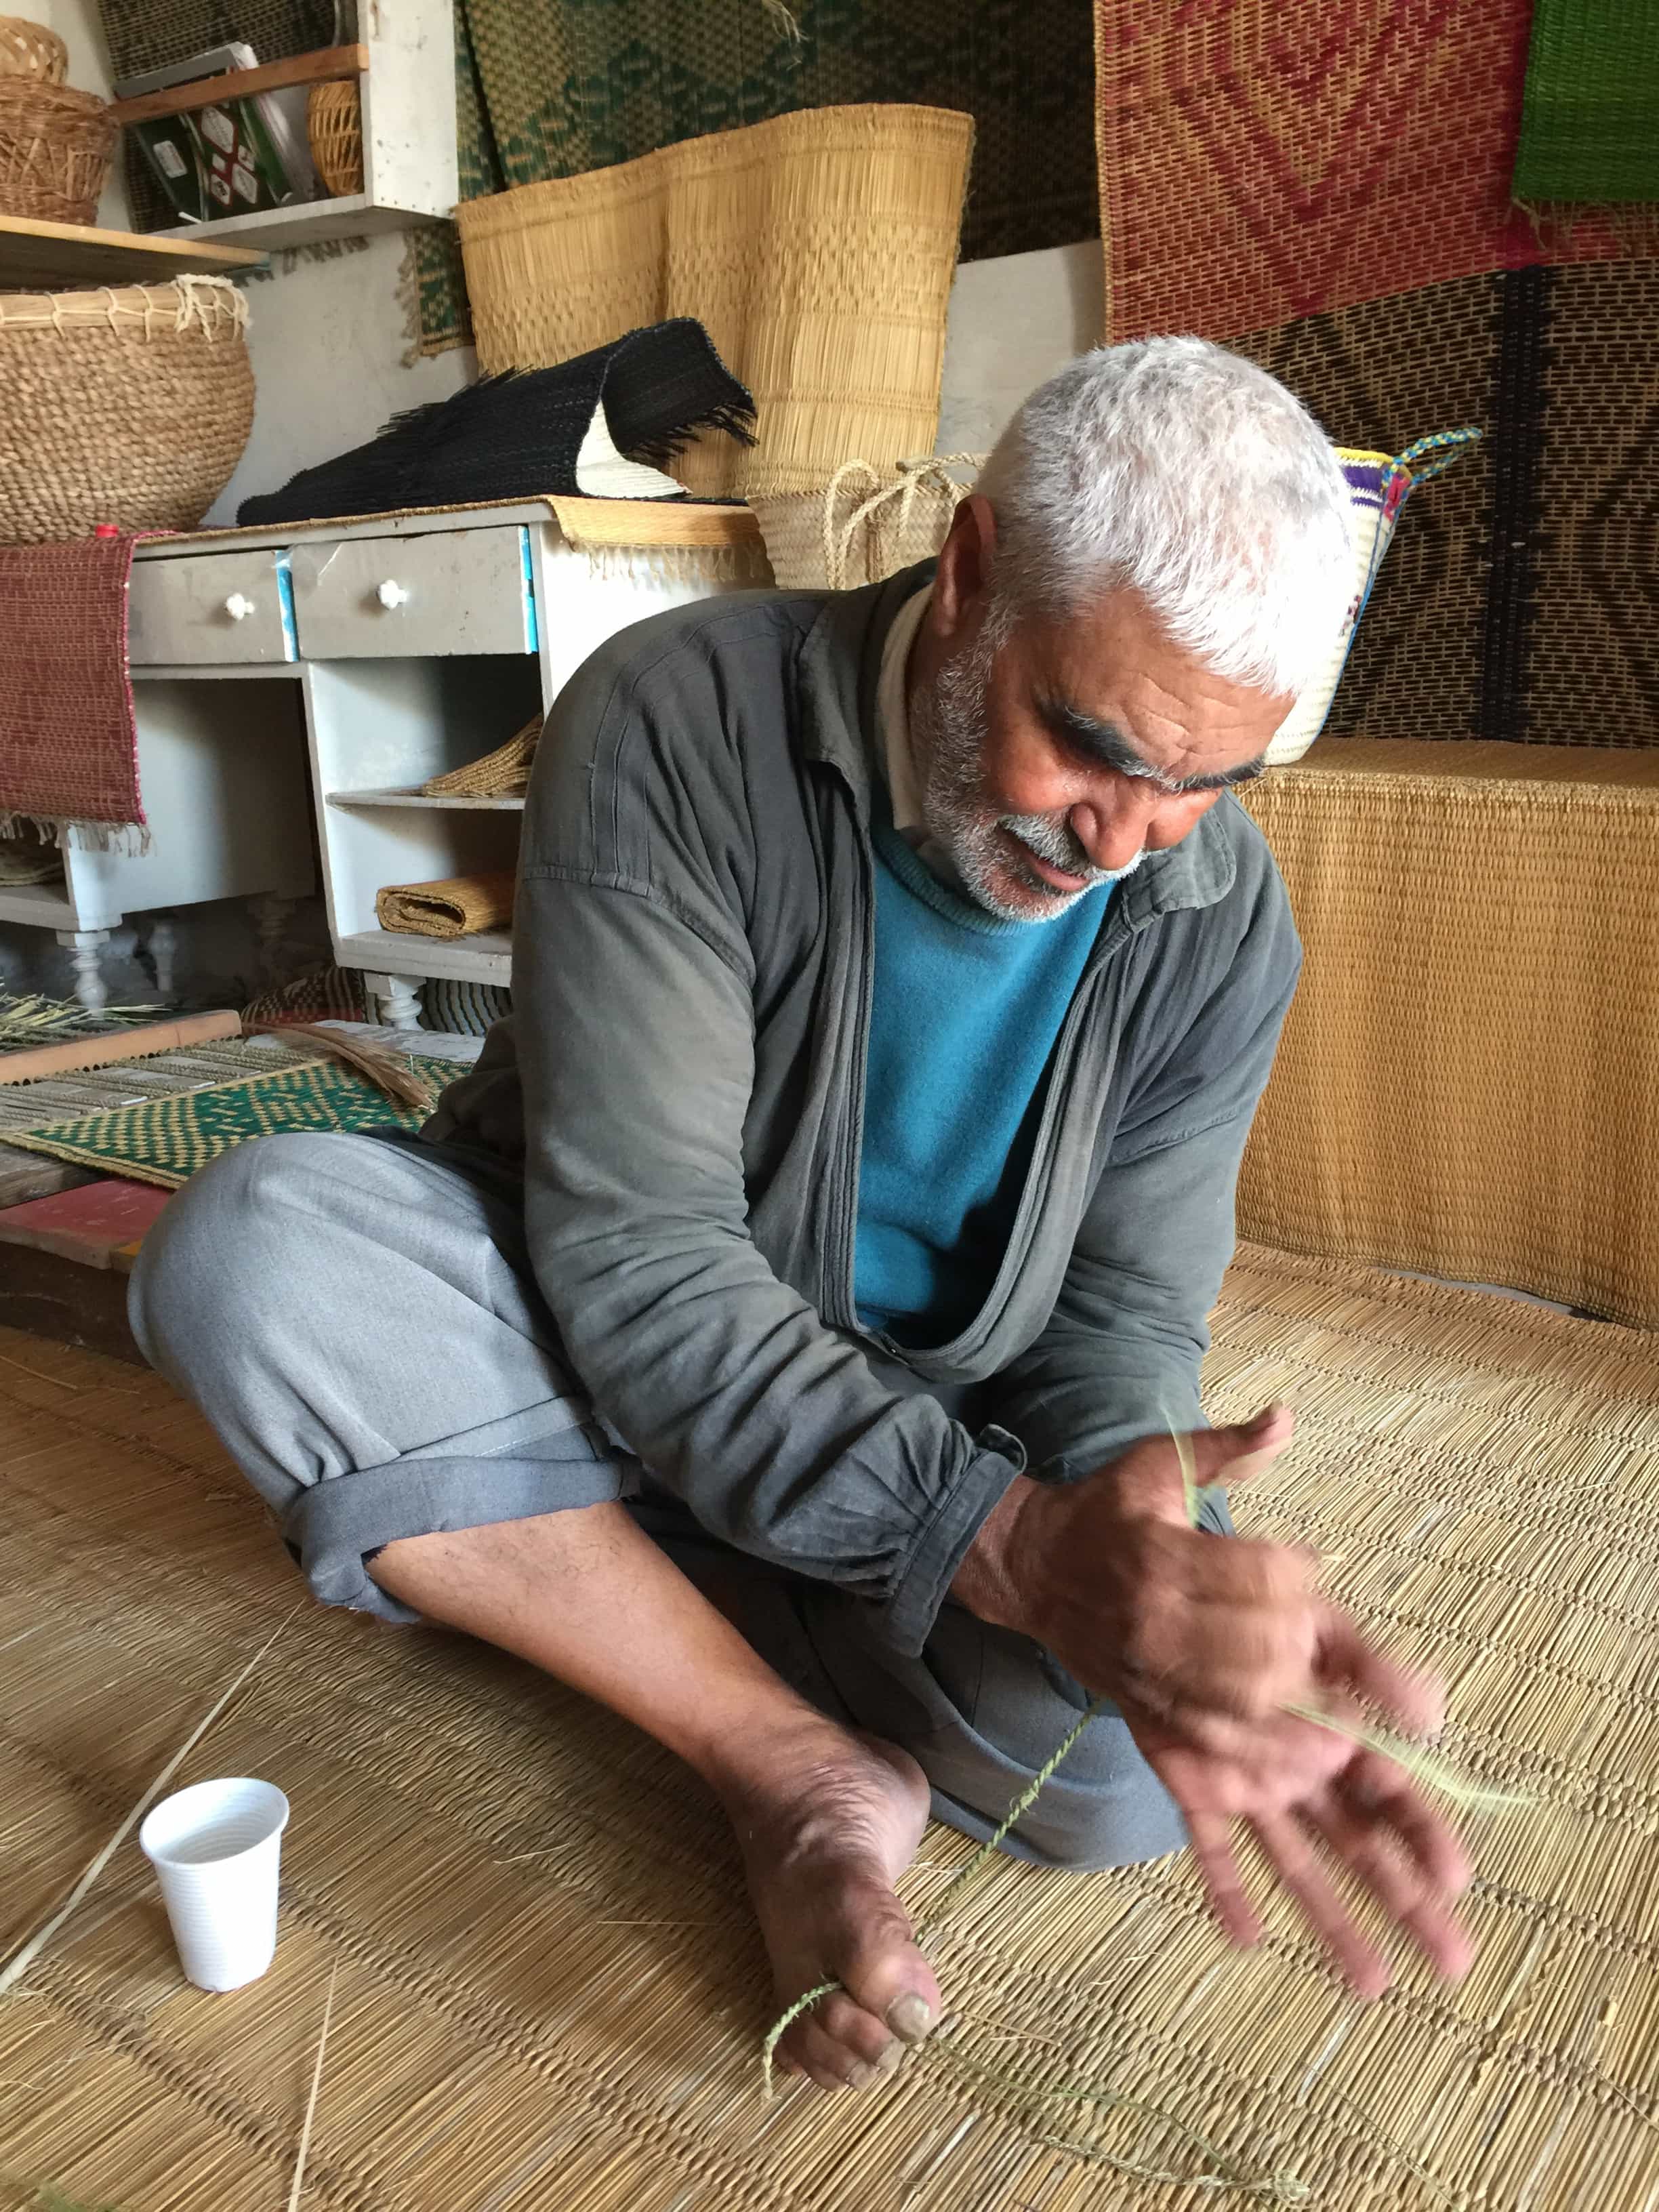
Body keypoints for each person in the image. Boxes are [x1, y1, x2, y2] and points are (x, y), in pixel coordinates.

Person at [132, 337, 1473, 2095]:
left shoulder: (1214, 914)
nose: (1127, 840)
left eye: (1211, 780)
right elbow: (642, 1263)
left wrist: (1137, 1541)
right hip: (577, 1335)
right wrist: (993, 1544)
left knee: (1118, 1775)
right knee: (258, 1258)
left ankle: (570, 1561)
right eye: (1091, 746)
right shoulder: (680, 715)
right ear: (974, 570)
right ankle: (782, 1759)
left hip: (905, 1425)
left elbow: (1123, 1334)